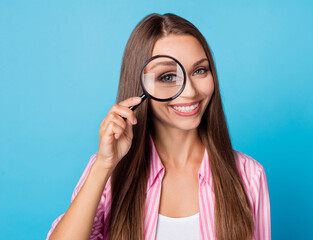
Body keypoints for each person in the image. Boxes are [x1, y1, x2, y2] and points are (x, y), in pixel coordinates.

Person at [46, 13, 271, 240]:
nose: (190, 91)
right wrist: (104, 167)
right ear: (141, 87)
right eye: (167, 77)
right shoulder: (108, 172)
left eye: (200, 71)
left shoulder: (249, 176)